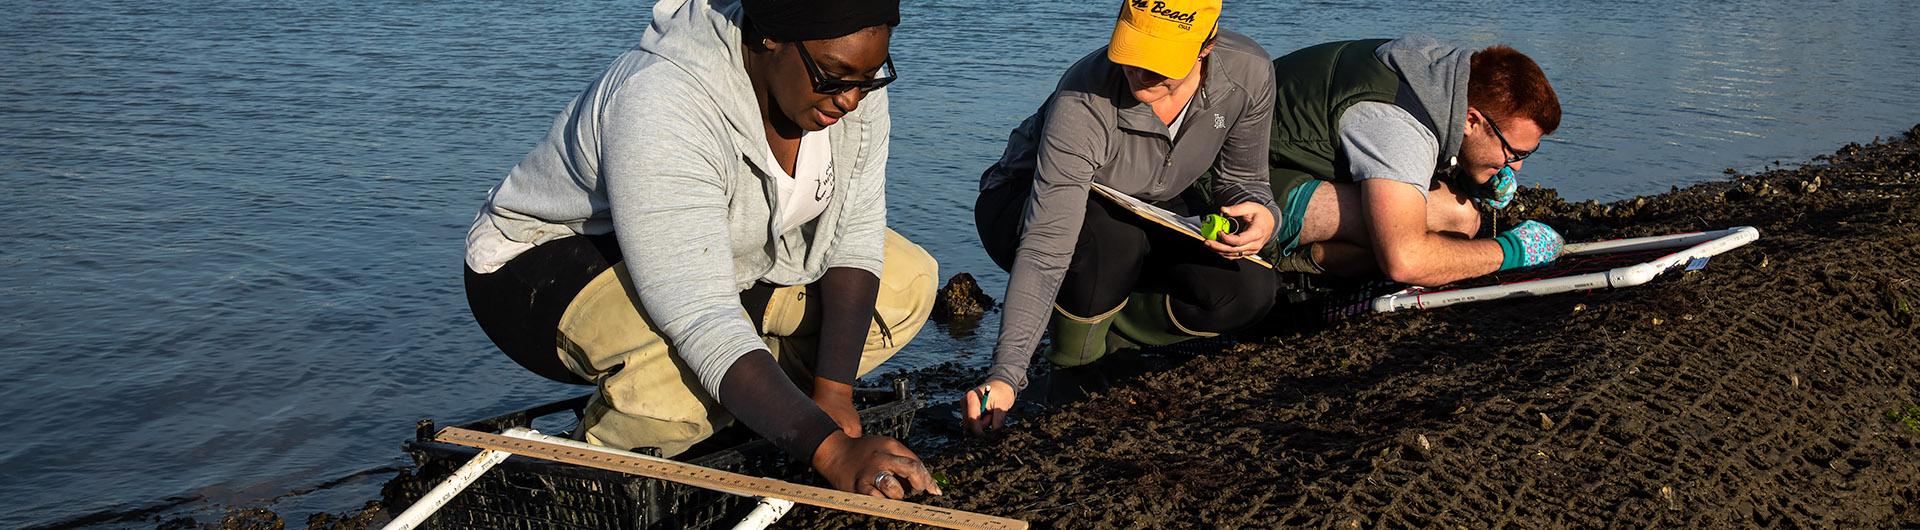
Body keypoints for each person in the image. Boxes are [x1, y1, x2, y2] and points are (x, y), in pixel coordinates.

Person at [461, 0, 940, 499]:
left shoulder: (850, 87)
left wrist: (833, 395)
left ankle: (748, 401)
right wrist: (833, 453)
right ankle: (584, 477)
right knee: (677, 394)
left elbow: (855, 235)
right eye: (836, 78)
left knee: (907, 284)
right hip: (547, 266)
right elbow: (700, 314)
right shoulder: (662, 100)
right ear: (771, 36)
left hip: (732, 259)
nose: (851, 100)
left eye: (870, 77)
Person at [962, 0, 1278, 435]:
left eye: (1159, 60)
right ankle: (1072, 363)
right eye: (1132, 51)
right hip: (1022, 203)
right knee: (1110, 241)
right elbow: (1045, 247)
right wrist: (1006, 374)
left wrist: (1264, 215)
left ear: (1206, 46)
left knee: (1250, 288)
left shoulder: (1250, 72)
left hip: (1151, 207)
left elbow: (1243, 181)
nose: (1139, 70)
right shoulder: (1084, 99)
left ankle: (1114, 337)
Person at [1257, 37, 1566, 287]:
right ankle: (1286, 260)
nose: (1516, 167)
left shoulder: (1443, 75)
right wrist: (1512, 252)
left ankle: (1318, 253)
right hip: (1241, 187)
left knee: (1460, 218)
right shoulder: (1398, 128)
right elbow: (1406, 260)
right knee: (1447, 220)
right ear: (1472, 120)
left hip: (1287, 161)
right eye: (1513, 153)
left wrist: (1471, 176)